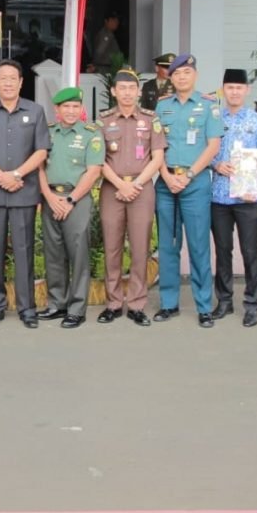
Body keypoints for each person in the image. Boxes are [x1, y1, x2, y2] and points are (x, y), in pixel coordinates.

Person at [0, 59, 50, 328]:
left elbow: (41, 150)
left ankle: (27, 307)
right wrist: (1, 176)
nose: (7, 82)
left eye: (12, 78)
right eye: (2, 78)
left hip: (23, 191)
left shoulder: (36, 111)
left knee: (24, 249)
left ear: (20, 82)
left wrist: (16, 174)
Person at [153, 53, 223, 328]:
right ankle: (169, 303)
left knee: (198, 246)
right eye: (177, 73)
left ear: (195, 75)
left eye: (187, 73)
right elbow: (155, 147)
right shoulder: (161, 107)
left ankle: (204, 306)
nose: (181, 77)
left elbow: (213, 146)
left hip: (195, 184)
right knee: (169, 246)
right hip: (166, 183)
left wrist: (189, 174)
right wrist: (166, 176)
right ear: (170, 77)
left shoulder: (208, 106)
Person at [97, 67, 165, 326]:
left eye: (131, 89)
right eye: (122, 88)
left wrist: (135, 183)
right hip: (111, 190)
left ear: (138, 92)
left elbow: (157, 157)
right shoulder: (102, 121)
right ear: (114, 92)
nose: (127, 93)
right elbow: (97, 160)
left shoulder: (150, 120)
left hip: (141, 189)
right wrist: (119, 184)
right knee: (112, 247)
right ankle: (113, 303)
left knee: (140, 248)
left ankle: (137, 304)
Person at [209, 68, 257, 327]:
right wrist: (216, 164)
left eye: (239, 87)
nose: (234, 92)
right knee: (223, 251)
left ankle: (252, 303)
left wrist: (256, 187)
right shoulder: (213, 119)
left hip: (247, 198)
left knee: (250, 251)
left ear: (246, 91)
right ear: (223, 90)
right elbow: (204, 149)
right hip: (220, 196)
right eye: (230, 87)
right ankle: (224, 300)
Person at [37, 86, 104, 328]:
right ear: (57, 109)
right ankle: (57, 304)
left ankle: (77, 308)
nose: (71, 111)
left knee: (78, 255)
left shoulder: (91, 134)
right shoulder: (48, 133)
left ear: (82, 109)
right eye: (66, 106)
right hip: (50, 198)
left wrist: (71, 199)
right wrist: (47, 195)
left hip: (77, 200)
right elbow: (40, 167)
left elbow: (94, 171)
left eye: (76, 106)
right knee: (53, 253)